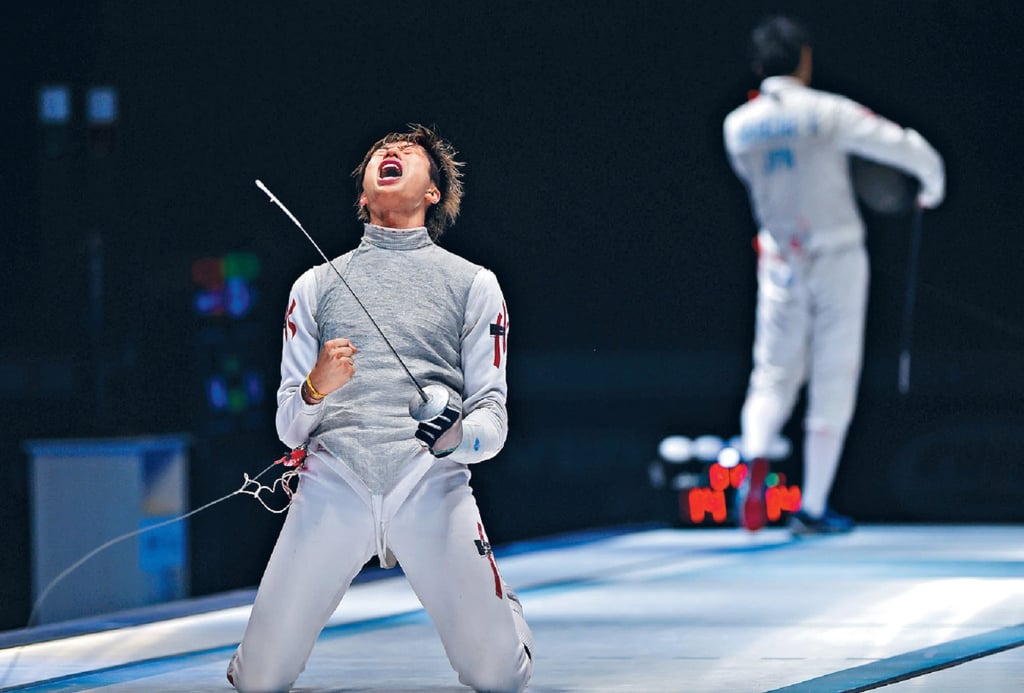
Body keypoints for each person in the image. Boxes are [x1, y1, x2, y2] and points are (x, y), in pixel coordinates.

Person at [227, 124, 533, 692]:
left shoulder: (475, 284)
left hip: (430, 481)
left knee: (499, 678)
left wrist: (457, 437)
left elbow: (493, 417)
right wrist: (315, 387)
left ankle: (501, 607)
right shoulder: (313, 286)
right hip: (333, 483)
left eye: (408, 152)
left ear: (433, 192)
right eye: (379, 153)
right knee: (258, 682)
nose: (390, 152)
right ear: (363, 195)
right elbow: (289, 426)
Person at [723, 17, 945, 535]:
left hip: (781, 260)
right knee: (833, 375)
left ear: (758, 66)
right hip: (838, 255)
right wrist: (931, 187)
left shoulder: (737, 127)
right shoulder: (826, 112)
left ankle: (755, 460)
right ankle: (813, 506)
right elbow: (907, 147)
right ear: (804, 59)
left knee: (772, 374)